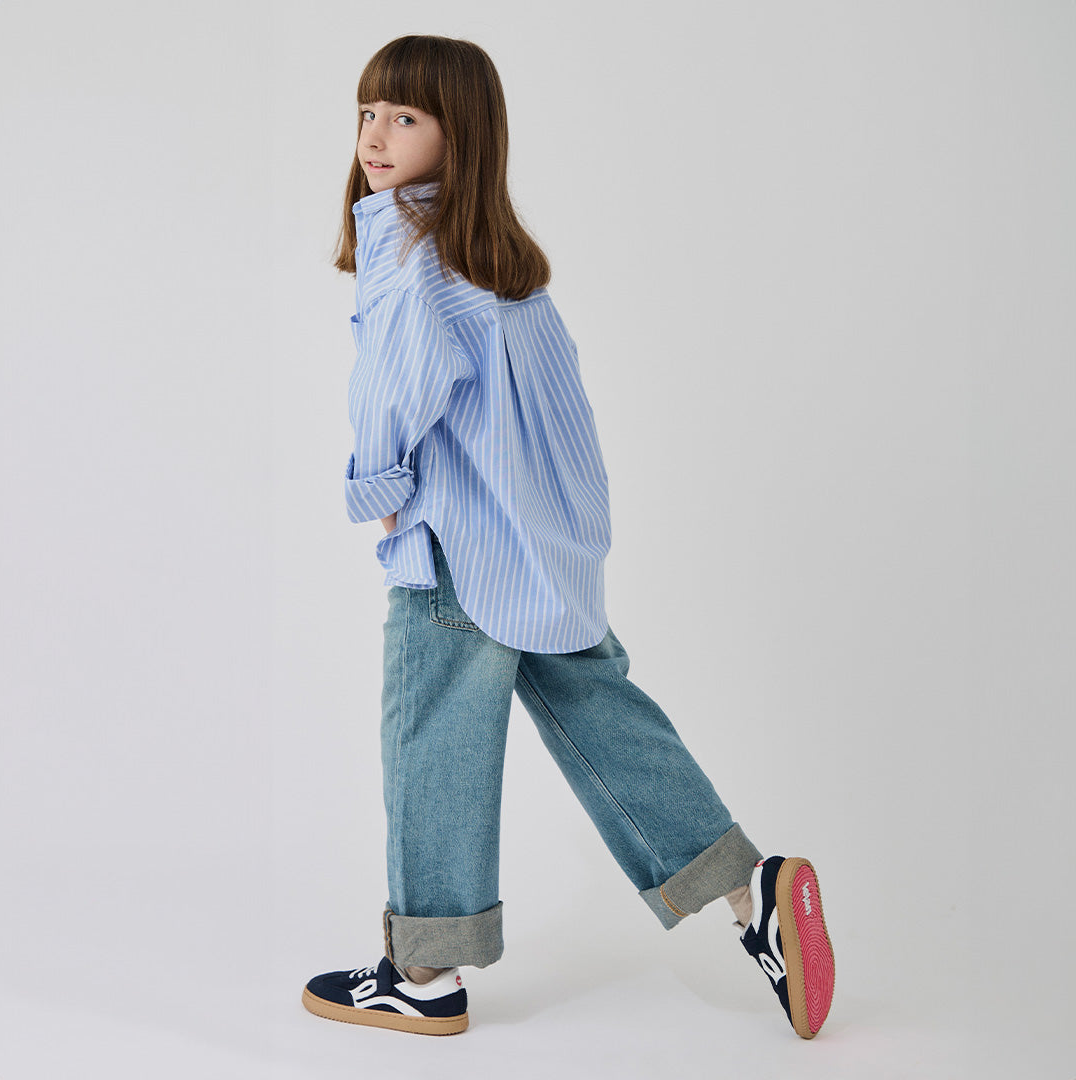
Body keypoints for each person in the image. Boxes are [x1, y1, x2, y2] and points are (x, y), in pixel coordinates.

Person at [301, 33, 835, 1040]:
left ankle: (425, 970)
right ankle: (748, 888)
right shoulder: (507, 269)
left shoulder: (409, 256)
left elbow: (391, 395)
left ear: (460, 135)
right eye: (368, 112)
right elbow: (564, 418)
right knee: (601, 718)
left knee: (433, 736)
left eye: (406, 117)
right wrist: (567, 536)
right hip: (541, 552)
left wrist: (378, 485)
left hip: (458, 552)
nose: (375, 136)